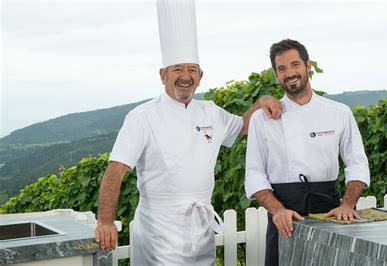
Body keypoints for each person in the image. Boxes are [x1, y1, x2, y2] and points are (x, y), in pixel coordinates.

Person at [94, 0, 282, 265]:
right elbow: (115, 170)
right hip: (159, 231)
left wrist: (261, 101)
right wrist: (105, 221)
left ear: (200, 76)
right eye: (177, 69)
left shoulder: (211, 112)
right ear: (163, 75)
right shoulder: (142, 118)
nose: (186, 76)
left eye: (192, 69)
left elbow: (243, 126)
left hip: (201, 228)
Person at [244, 39, 370, 266]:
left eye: (295, 65)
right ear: (276, 75)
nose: (289, 73)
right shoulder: (261, 119)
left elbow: (357, 163)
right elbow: (254, 174)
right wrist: (278, 211)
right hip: (284, 216)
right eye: (282, 68)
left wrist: (347, 204)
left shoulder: (339, 112)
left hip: (329, 213)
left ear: (308, 65)